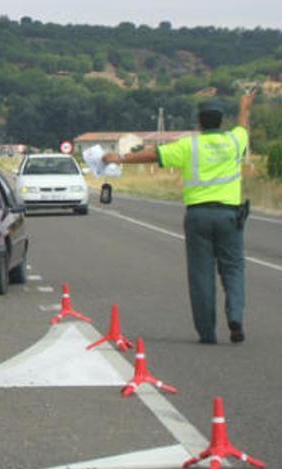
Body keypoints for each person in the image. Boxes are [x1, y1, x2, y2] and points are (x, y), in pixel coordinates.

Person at [102, 90, 256, 345]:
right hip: (229, 215)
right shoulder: (234, 141)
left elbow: (154, 154)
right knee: (233, 269)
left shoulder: (188, 145)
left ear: (199, 122)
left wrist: (119, 158)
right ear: (220, 121)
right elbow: (243, 128)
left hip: (198, 216)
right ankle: (236, 316)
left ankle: (207, 333)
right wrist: (244, 106)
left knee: (201, 274)